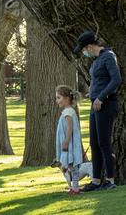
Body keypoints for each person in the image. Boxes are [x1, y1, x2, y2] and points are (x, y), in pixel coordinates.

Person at [73, 31, 122, 191]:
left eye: (84, 49)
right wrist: (92, 94)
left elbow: (116, 80)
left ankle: (110, 180)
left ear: (89, 46)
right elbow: (100, 81)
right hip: (95, 105)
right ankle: (95, 181)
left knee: (104, 143)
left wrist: (101, 97)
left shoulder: (108, 56)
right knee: (94, 143)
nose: (84, 52)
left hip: (106, 104)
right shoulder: (96, 61)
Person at [54, 85, 83, 195]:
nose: (57, 101)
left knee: (72, 166)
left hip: (69, 143)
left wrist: (66, 141)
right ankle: (73, 188)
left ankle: (75, 188)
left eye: (58, 97)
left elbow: (70, 128)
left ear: (66, 98)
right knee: (69, 166)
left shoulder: (68, 112)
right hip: (67, 142)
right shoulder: (68, 111)